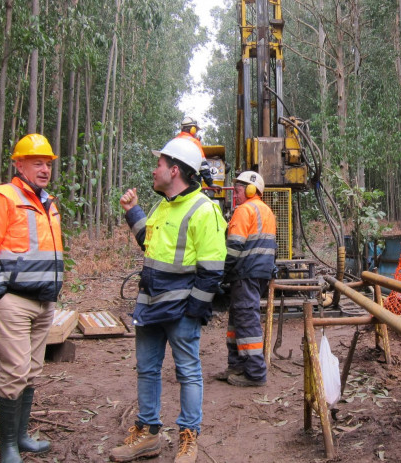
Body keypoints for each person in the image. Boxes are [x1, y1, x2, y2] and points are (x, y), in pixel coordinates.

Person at [110, 137, 227, 463]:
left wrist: (193, 312)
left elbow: (212, 270)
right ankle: (148, 434)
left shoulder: (205, 210)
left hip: (180, 311)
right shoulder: (163, 205)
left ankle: (189, 437)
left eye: (158, 164)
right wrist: (132, 212)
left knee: (187, 372)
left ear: (174, 170)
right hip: (149, 305)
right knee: (147, 370)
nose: (154, 169)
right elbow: (151, 244)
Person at [0, 133, 62, 463]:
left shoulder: (47, 203)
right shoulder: (1, 198)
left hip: (43, 302)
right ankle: (7, 445)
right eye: (37, 163)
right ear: (18, 164)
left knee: (32, 369)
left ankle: (21, 437)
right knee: (15, 370)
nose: (44, 169)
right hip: (13, 301)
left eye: (47, 164)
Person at [214, 171, 277, 387]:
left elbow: (234, 248)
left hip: (245, 273)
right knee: (237, 318)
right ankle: (236, 365)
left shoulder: (244, 210)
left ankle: (255, 373)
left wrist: (221, 273)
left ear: (251, 190)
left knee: (247, 320)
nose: (236, 194)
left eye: (239, 190)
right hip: (259, 274)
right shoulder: (267, 211)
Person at [177, 116, 215, 188]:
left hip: (175, 181)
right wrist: (209, 182)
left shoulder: (174, 141)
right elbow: (202, 164)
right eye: (196, 130)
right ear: (192, 129)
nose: (196, 133)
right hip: (190, 180)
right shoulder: (194, 142)